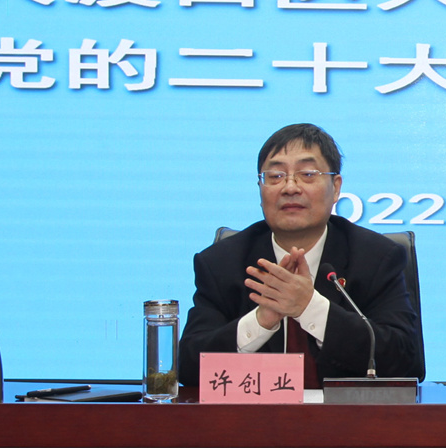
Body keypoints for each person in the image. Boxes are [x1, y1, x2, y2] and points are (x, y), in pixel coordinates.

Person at [178, 123, 424, 388]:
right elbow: (189, 370)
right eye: (275, 176)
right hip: (255, 414)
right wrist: (260, 322)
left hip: (347, 414)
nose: (290, 187)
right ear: (260, 189)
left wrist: (310, 308)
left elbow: (406, 363)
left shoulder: (376, 258)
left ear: (336, 188)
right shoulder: (221, 263)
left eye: (307, 174)